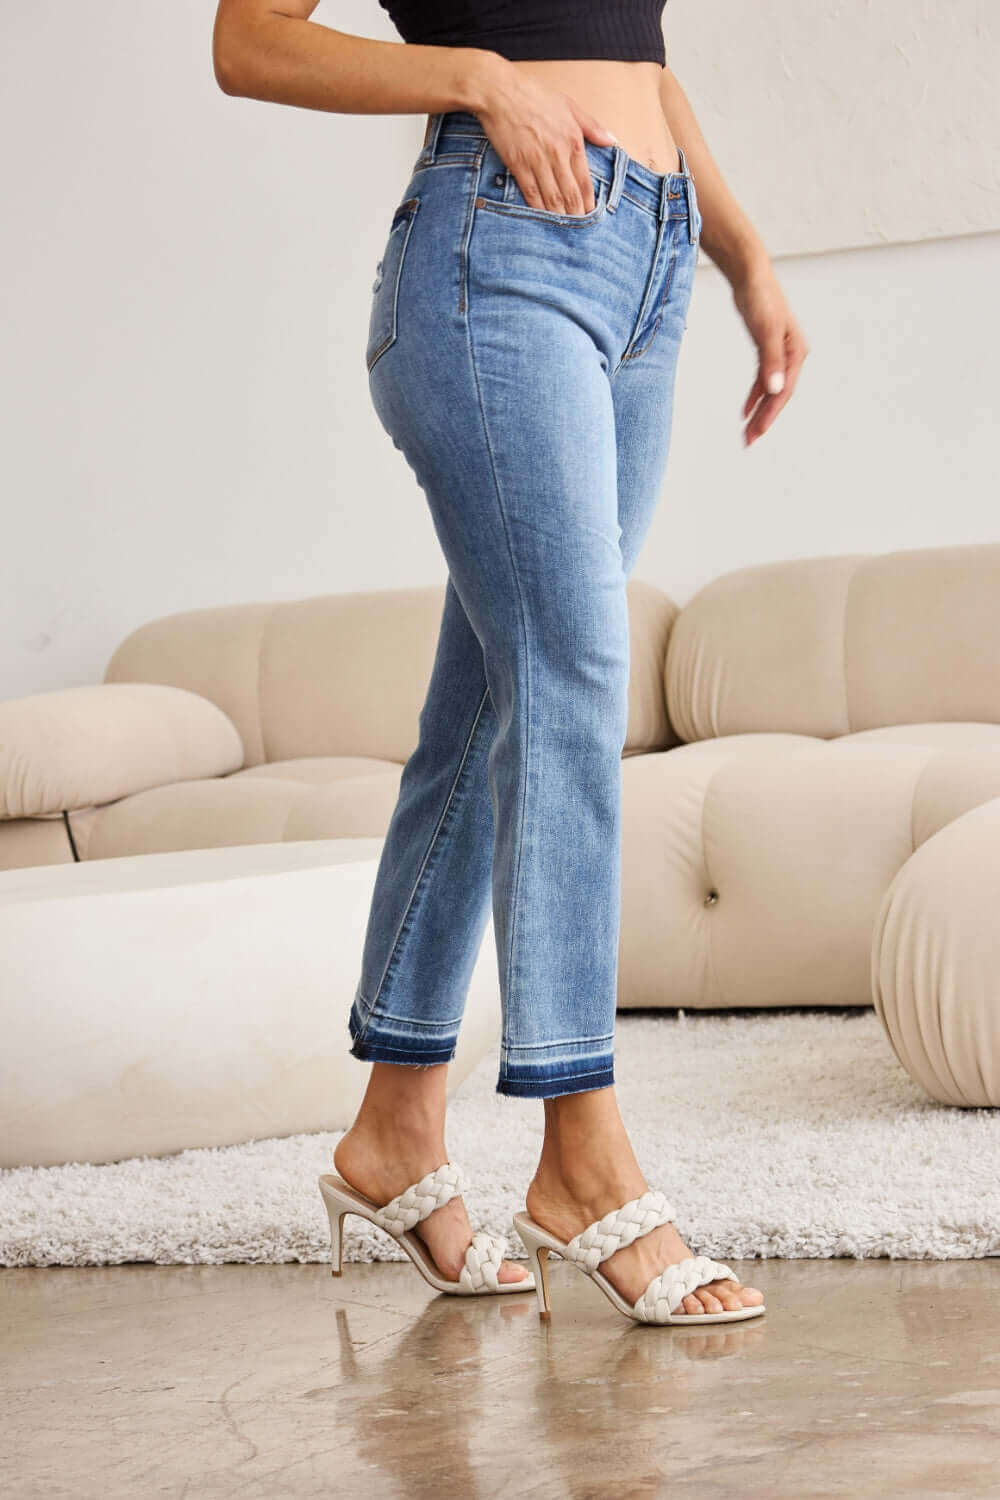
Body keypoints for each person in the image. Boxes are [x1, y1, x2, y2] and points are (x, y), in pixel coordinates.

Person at [213, 0, 807, 1325]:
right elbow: (246, 39)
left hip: (646, 256)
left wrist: (744, 254)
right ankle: (583, 1156)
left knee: (492, 705)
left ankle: (394, 1135)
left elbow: (639, 60)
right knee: (574, 678)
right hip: (497, 254)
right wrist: (476, 75)